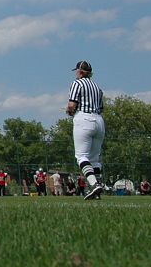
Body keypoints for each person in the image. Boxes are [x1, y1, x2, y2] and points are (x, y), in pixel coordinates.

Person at [67, 60, 105, 201]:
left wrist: (69, 111)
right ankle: (97, 189)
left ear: (80, 71)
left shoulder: (77, 83)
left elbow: (72, 105)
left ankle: (94, 185)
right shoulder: (97, 87)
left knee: (81, 156)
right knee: (94, 159)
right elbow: (101, 107)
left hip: (84, 119)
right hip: (99, 121)